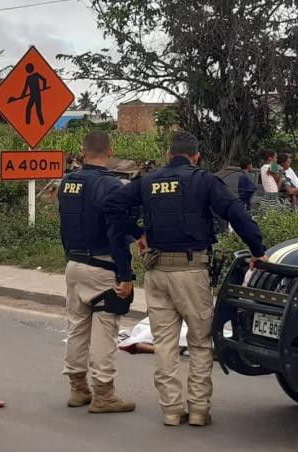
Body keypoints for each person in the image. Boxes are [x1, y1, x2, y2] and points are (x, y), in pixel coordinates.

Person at [104, 131, 266, 427]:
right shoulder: (203, 180)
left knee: (164, 343)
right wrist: (258, 250)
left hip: (156, 272)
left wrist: (138, 232)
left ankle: (171, 410)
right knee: (200, 342)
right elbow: (235, 212)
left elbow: (112, 205)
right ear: (195, 156)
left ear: (169, 155)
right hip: (191, 271)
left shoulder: (149, 180)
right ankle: (199, 410)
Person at [57, 131, 136, 414]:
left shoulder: (67, 183)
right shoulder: (111, 186)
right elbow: (116, 233)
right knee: (105, 331)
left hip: (73, 264)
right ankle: (104, 393)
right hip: (102, 266)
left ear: (83, 151)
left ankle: (78, 389)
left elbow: (63, 225)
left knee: (77, 327)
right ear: (110, 151)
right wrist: (125, 275)